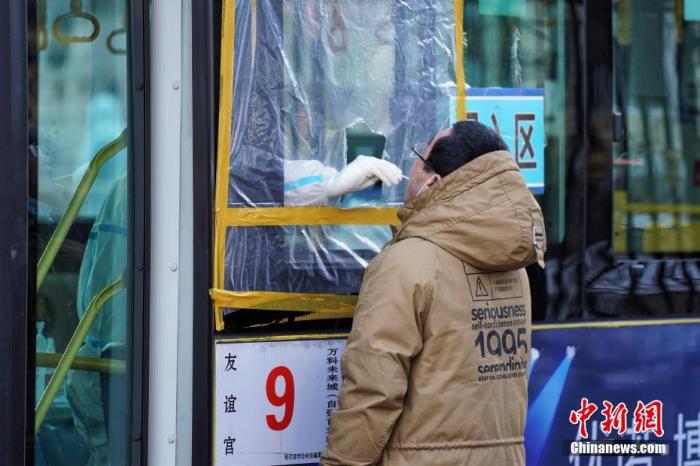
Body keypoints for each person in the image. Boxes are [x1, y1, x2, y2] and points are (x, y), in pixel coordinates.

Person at [321, 120, 546, 466]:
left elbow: (372, 392)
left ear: (433, 182)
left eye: (419, 157)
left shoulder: (405, 264)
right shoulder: (515, 269)